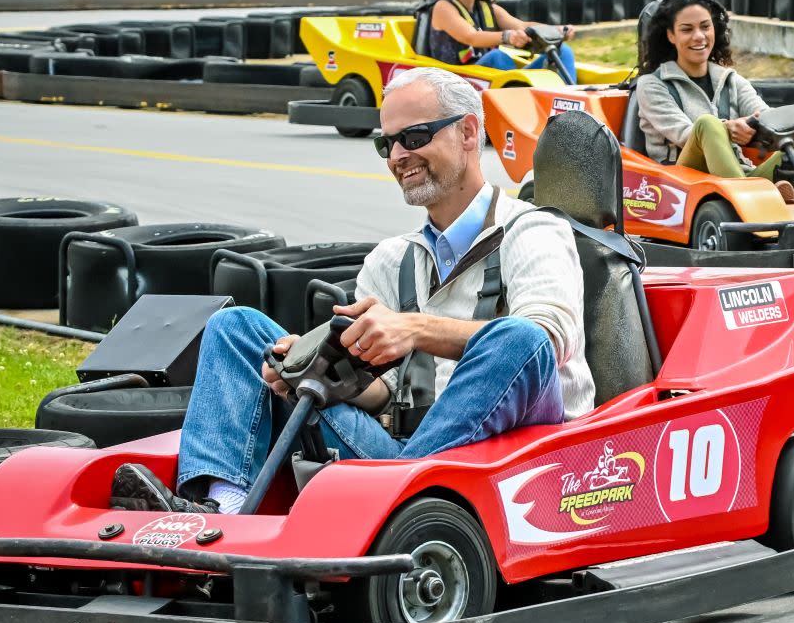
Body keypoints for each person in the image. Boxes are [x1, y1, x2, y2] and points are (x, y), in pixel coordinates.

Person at [111, 67, 593, 515]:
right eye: (388, 145)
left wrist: (414, 329)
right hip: (401, 457)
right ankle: (225, 511)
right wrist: (320, 374)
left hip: (520, 461)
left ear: (468, 132)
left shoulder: (534, 231)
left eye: (415, 137)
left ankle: (402, 498)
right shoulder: (391, 259)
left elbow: (546, 344)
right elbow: (385, 396)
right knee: (235, 327)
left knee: (518, 339)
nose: (399, 155)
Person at [629, 0, 794, 203]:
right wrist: (728, 128)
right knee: (707, 125)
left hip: (739, 177)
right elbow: (686, 135)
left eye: (705, 27)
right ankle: (753, 202)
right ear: (671, 36)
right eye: (687, 29)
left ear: (715, 29)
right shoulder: (652, 85)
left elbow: (767, 117)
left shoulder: (731, 80)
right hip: (679, 185)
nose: (699, 36)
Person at [418, 0, 578, 78]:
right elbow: (471, 37)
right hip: (455, 83)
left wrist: (556, 30)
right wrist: (508, 37)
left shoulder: (487, 9)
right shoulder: (442, 7)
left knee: (563, 51)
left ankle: (571, 106)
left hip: (487, 79)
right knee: (498, 57)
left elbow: (522, 26)